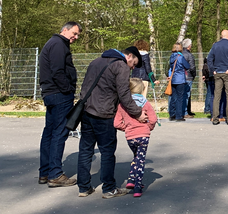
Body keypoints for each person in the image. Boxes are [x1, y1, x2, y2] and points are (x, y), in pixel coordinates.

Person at [77, 46, 147, 198]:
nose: (133, 67)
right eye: (134, 63)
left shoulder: (96, 61)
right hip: (104, 114)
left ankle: (83, 187)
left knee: (85, 150)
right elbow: (124, 94)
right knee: (107, 152)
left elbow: (85, 86)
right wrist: (138, 113)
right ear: (129, 56)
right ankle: (109, 188)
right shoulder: (121, 66)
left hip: (87, 111)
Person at [38, 21, 81, 187]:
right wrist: (67, 89)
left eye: (77, 35)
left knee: (49, 132)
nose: (75, 37)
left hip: (51, 93)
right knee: (59, 133)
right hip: (59, 94)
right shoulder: (58, 44)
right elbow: (58, 71)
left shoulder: (54, 43)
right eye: (74, 33)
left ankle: (45, 172)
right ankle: (55, 174)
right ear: (65, 29)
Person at [113, 78, 157, 197]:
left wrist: (126, 127)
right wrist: (148, 127)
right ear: (142, 89)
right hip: (143, 135)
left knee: (136, 157)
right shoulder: (145, 103)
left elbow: (116, 123)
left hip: (130, 136)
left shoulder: (122, 105)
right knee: (140, 160)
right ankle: (137, 185)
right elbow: (153, 119)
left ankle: (131, 179)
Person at [207, 30, 228, 125]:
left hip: (217, 72)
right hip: (227, 72)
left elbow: (209, 58)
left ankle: (215, 119)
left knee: (217, 96)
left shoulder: (215, 45)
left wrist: (213, 70)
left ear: (221, 36)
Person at [168, 43, 191, 122]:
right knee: (180, 98)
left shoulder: (172, 57)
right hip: (180, 79)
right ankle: (178, 116)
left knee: (173, 97)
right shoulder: (180, 57)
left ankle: (172, 114)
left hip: (173, 78)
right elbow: (187, 66)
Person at [181, 38, 196, 118]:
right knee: (186, 95)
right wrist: (194, 75)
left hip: (180, 77)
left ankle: (182, 111)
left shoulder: (179, 53)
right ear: (189, 46)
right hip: (188, 77)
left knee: (181, 95)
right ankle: (185, 112)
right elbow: (192, 67)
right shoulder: (189, 55)